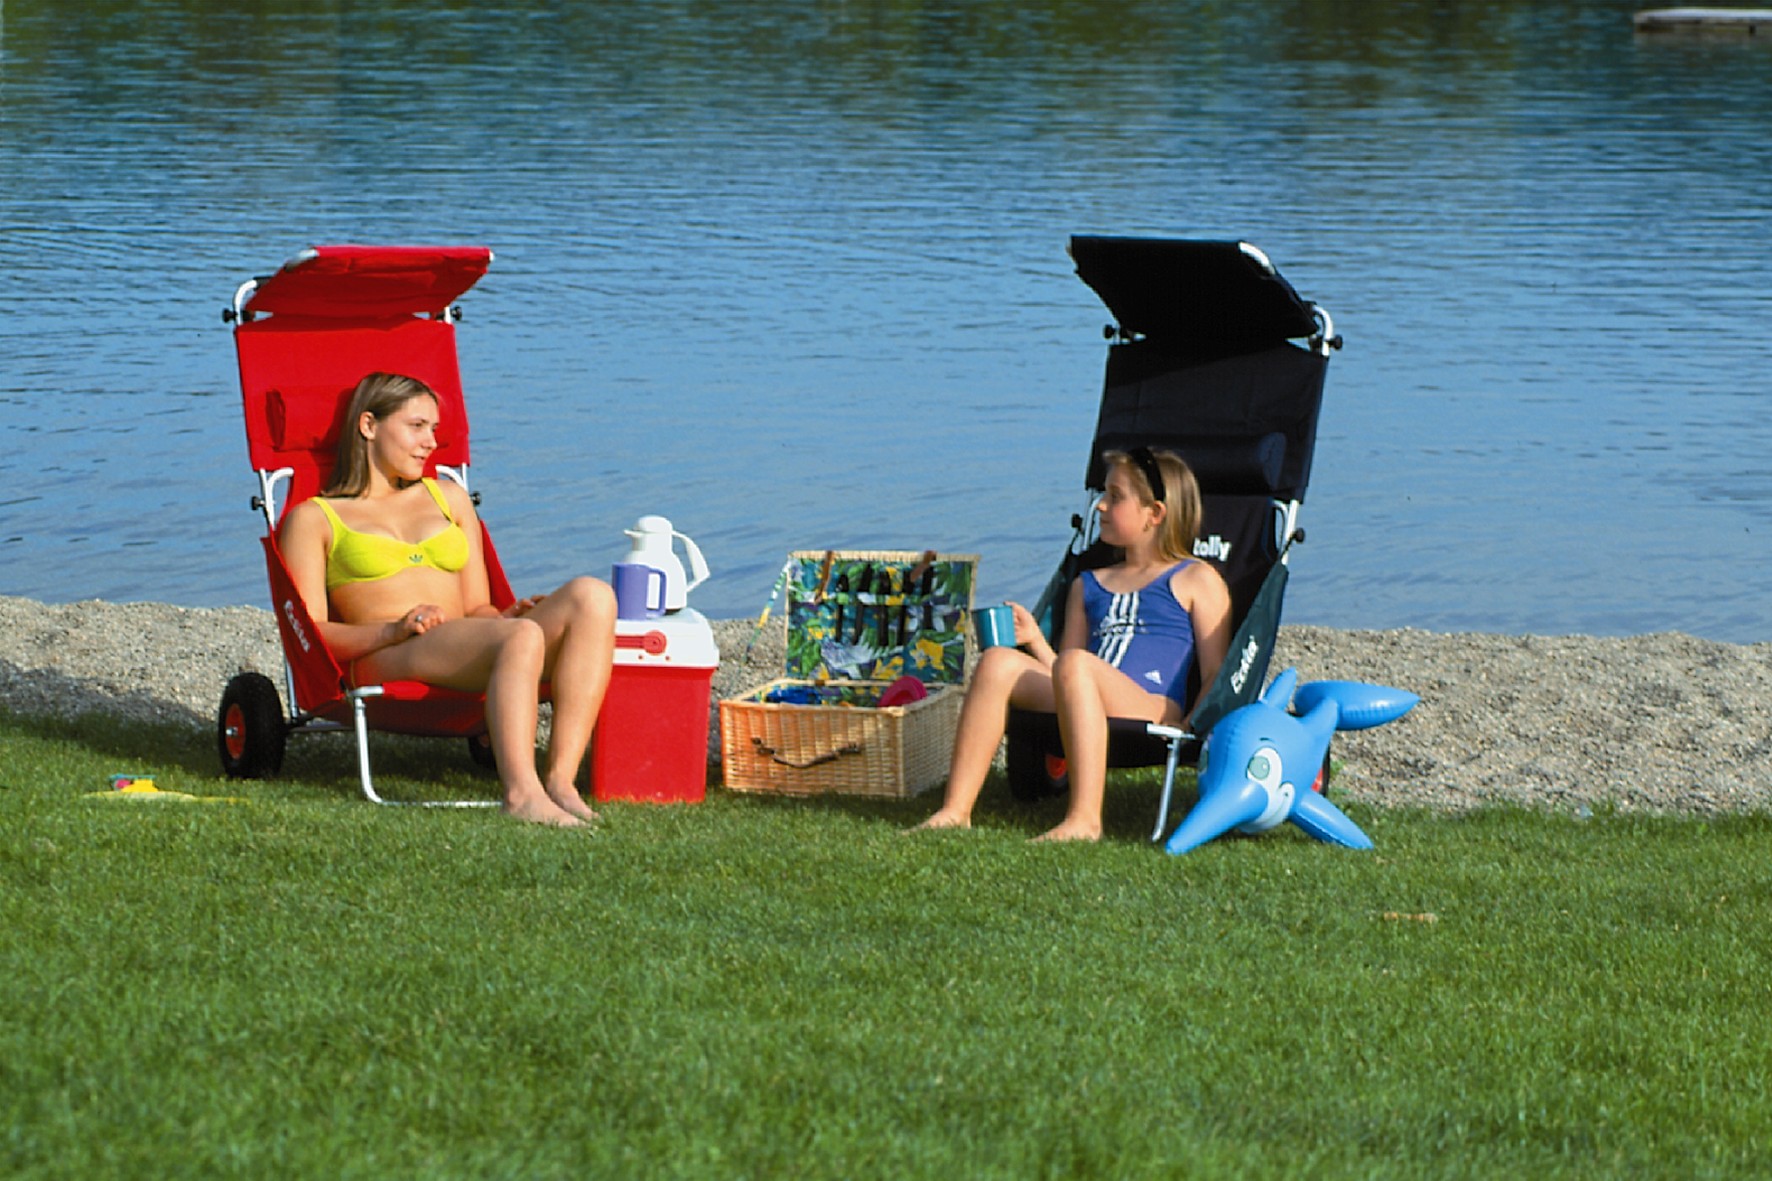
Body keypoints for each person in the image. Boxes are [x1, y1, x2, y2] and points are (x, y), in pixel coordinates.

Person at [281, 372, 617, 827]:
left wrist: (504, 615)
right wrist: (392, 629)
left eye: (435, 430)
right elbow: (310, 636)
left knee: (592, 597)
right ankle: (520, 794)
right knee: (519, 636)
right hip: (388, 651)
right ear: (368, 426)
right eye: (417, 426)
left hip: (460, 642)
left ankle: (560, 781)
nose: (431, 443)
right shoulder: (314, 518)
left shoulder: (450, 498)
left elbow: (478, 609)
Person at [915, 447, 1232, 841]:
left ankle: (1085, 820)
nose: (1100, 505)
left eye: (1115, 497)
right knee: (999, 660)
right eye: (1103, 493)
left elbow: (1219, 669)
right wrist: (1033, 639)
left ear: (1155, 514)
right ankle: (955, 810)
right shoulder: (1089, 583)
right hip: (1084, 687)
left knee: (1078, 664)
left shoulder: (1196, 579)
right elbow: (1064, 669)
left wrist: (1191, 725)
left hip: (1151, 704)